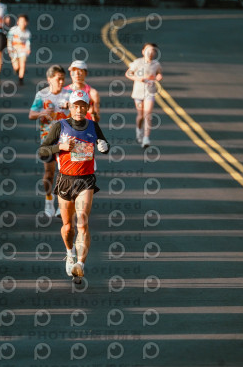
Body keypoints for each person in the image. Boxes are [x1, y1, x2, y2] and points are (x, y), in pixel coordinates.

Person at [37, 90, 110, 283]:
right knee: (68, 227)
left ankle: (80, 264)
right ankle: (70, 253)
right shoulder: (59, 126)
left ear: (87, 108)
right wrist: (59, 148)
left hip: (86, 180)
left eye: (82, 106)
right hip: (65, 180)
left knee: (82, 223)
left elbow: (103, 143)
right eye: (75, 106)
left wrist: (104, 146)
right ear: (70, 107)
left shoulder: (93, 126)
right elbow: (42, 151)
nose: (79, 110)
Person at [29, 65, 70, 218]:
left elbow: (81, 111)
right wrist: (42, 113)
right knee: (49, 173)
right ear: (49, 79)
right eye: (58, 79)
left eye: (63, 79)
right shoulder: (42, 95)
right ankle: (48, 200)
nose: (61, 82)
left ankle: (61, 204)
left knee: (65, 173)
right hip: (48, 140)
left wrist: (71, 106)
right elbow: (31, 114)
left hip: (66, 139)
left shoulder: (69, 94)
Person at [125, 42, 163, 148]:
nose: (150, 52)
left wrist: (159, 77)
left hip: (150, 92)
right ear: (143, 51)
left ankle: (146, 138)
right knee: (141, 116)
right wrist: (138, 79)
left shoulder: (156, 64)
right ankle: (139, 130)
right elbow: (128, 73)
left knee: (147, 115)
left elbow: (159, 73)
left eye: (153, 51)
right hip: (138, 93)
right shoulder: (137, 62)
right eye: (148, 50)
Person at [7, 14, 32, 86]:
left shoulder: (28, 33)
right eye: (20, 21)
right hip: (13, 50)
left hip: (22, 50)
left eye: (24, 21)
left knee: (22, 63)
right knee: (16, 66)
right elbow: (9, 40)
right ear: (18, 22)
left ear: (26, 23)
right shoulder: (13, 30)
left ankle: (21, 79)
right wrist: (9, 48)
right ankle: (17, 70)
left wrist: (28, 49)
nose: (22, 23)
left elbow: (28, 42)